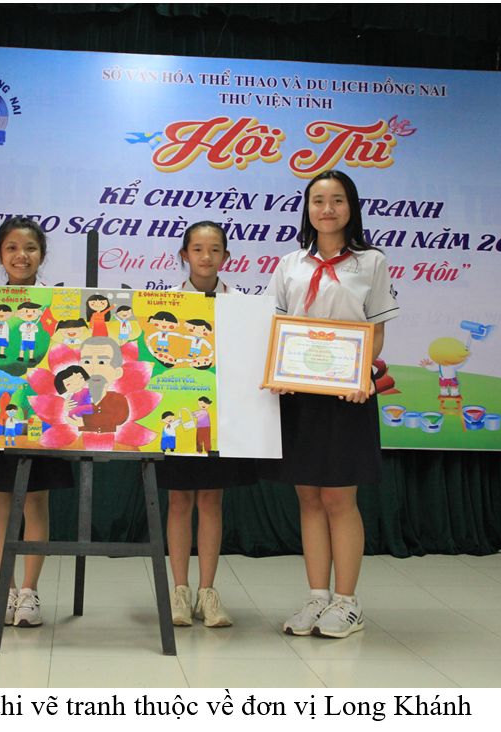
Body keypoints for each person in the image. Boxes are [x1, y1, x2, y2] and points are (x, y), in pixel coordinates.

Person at [264, 171, 399, 639]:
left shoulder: (371, 263)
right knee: (308, 497)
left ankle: (347, 602)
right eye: (318, 200)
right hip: (299, 396)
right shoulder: (289, 264)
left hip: (348, 395)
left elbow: (376, 329)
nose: (327, 209)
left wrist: (363, 375)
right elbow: (277, 326)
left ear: (351, 207)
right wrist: (278, 372)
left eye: (337, 200)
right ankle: (317, 597)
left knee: (339, 498)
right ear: (307, 208)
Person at [0, 216, 74, 628]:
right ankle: (6, 589)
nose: (21, 255)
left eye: (30, 248)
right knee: (1, 499)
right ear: (0, 255)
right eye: (12, 248)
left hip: (43, 416)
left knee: (35, 500)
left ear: (42, 255)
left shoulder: (57, 304)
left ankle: (30, 592)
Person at [157, 220, 257, 628]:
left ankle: (208, 592)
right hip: (179, 414)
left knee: (212, 500)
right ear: (184, 255)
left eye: (215, 250)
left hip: (221, 418)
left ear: (226, 257)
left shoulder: (242, 305)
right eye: (197, 249)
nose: (206, 257)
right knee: (179, 501)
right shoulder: (167, 304)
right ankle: (179, 591)